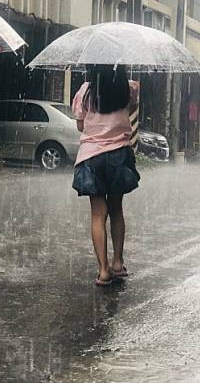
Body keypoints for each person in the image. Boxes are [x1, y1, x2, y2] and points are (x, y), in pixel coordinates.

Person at [72, 64, 140, 286]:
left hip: (92, 157)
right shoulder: (127, 89)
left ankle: (103, 270)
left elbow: (81, 125)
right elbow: (132, 107)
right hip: (119, 154)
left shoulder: (86, 91)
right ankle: (118, 262)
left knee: (98, 215)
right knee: (116, 210)